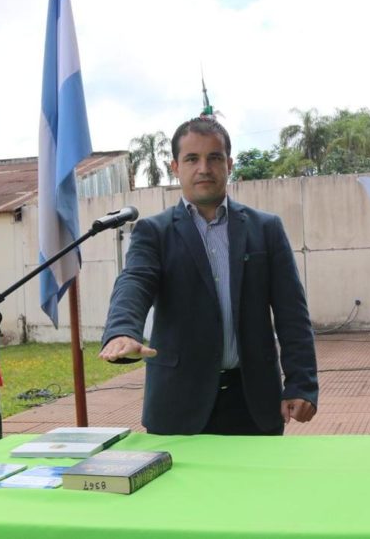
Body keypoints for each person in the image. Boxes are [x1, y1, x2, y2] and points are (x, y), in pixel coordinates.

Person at [100, 116, 318, 436]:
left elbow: (292, 314)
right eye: (192, 159)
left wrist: (302, 383)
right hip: (178, 405)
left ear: (228, 164)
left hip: (254, 403)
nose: (204, 168)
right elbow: (135, 281)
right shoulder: (154, 232)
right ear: (175, 167)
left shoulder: (265, 229)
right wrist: (121, 330)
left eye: (214, 157)